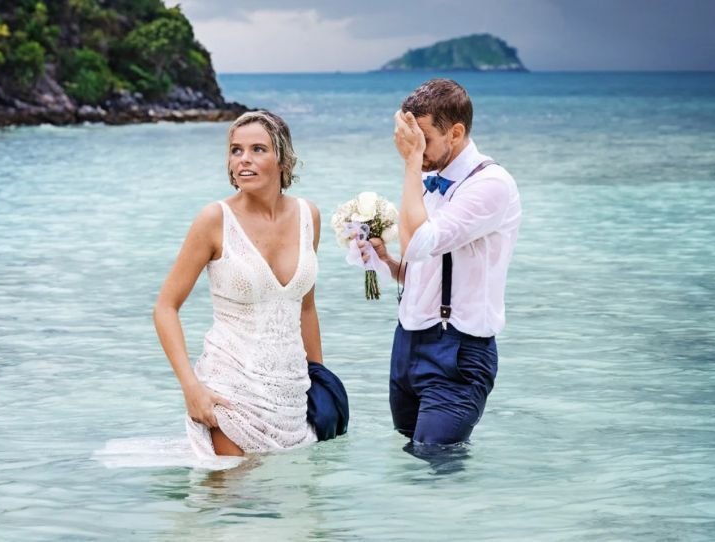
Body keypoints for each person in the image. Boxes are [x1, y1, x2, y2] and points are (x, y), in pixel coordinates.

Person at [153, 110, 326, 457]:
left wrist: (322, 384)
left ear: (283, 159)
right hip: (228, 391)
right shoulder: (214, 220)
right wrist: (192, 388)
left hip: (292, 398)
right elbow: (165, 308)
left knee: (298, 506)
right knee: (230, 506)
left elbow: (305, 307)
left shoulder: (309, 216)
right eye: (236, 150)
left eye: (258, 149)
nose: (243, 160)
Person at [363, 79, 522, 447]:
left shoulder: (490, 184)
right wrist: (386, 260)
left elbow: (419, 242)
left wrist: (411, 166)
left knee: (434, 464)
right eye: (409, 140)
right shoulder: (431, 177)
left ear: (456, 132)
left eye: (423, 140)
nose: (417, 150)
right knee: (409, 464)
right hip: (406, 345)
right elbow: (422, 266)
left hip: (457, 352)